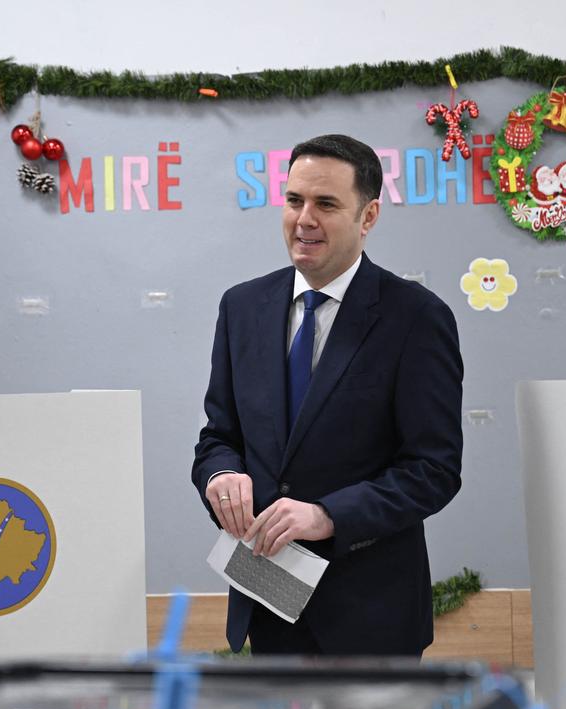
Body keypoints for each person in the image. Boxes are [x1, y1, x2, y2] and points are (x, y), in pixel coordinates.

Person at [192, 133, 464, 656]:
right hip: (267, 600)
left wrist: (327, 515)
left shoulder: (416, 318)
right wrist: (221, 475)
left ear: (369, 217)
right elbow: (218, 435)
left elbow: (433, 470)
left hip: (372, 619)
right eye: (294, 201)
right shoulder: (242, 307)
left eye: (326, 204)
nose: (304, 219)